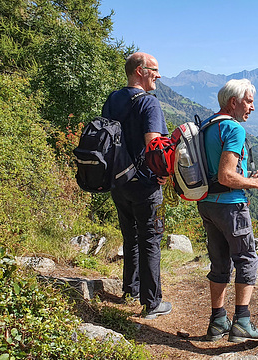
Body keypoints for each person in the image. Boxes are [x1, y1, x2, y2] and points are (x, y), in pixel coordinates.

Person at [198, 79, 258, 342]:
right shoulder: (233, 128)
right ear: (234, 102)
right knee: (246, 259)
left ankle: (218, 321)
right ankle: (242, 322)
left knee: (219, 263)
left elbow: (216, 171)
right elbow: (226, 175)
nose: (252, 107)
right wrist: (255, 182)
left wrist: (245, 176)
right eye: (249, 101)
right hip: (230, 206)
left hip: (207, 203)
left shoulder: (209, 125)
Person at [101, 52, 172, 319]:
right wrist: (162, 173)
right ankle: (152, 303)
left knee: (130, 237)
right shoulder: (149, 104)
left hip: (118, 182)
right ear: (140, 71)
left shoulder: (113, 99)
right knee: (150, 239)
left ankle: (130, 289)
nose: (159, 75)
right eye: (154, 70)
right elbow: (155, 145)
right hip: (144, 183)